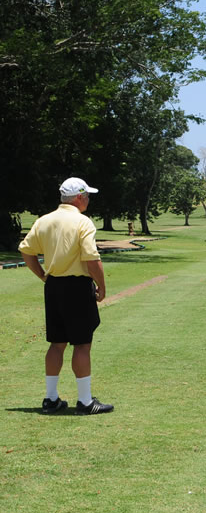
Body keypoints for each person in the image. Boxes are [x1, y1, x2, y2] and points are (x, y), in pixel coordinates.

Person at [19, 177, 114, 415]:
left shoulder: (44, 221)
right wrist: (101, 286)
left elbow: (26, 251)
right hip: (77, 287)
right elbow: (91, 260)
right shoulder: (83, 222)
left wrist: (43, 276)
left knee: (57, 343)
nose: (89, 200)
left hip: (53, 287)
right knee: (82, 343)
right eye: (88, 196)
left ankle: (51, 399)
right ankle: (84, 401)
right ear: (80, 197)